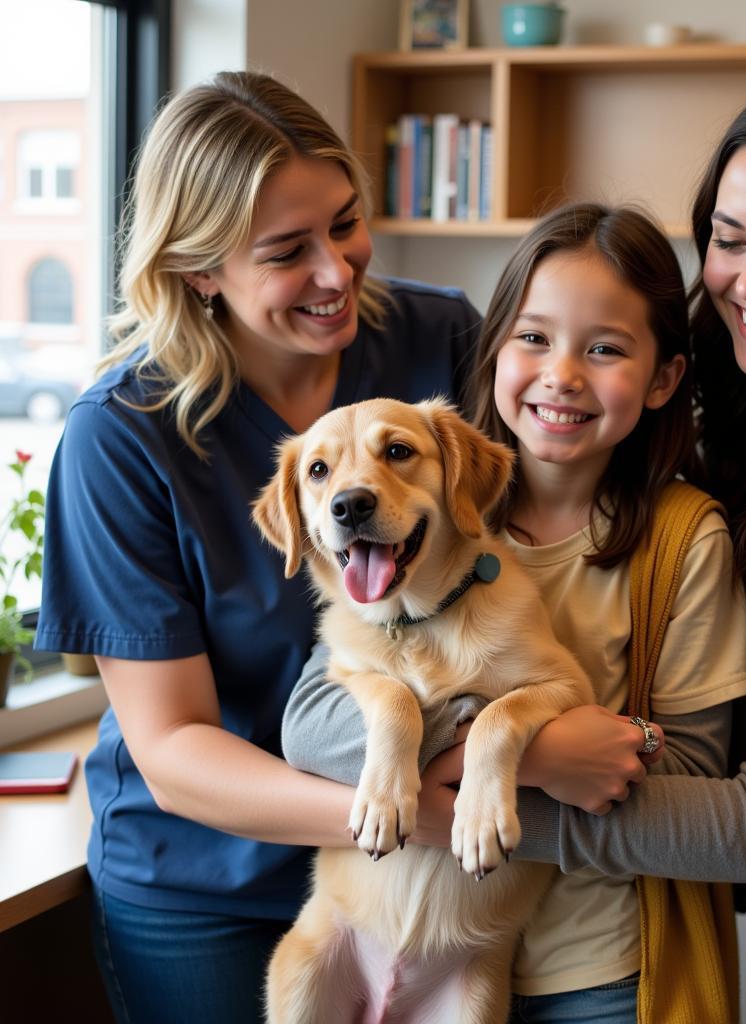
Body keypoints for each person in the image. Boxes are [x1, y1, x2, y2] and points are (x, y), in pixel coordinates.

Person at [295, 68, 746, 1022]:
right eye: (727, 240)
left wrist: (485, 793)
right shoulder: (734, 431)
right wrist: (492, 760)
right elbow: (316, 707)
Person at [32, 70, 494, 1024]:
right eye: (288, 251)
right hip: (211, 883)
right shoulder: (122, 437)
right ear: (199, 268)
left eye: (347, 221)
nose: (337, 271)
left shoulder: (438, 338)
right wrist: (414, 813)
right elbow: (173, 746)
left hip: (431, 875)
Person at [281, 202, 746, 1022]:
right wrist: (513, 754)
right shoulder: (423, 532)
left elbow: (694, 783)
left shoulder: (686, 539)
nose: (561, 374)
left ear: (664, 377)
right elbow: (313, 725)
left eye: (604, 348)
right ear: (493, 349)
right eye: (532, 337)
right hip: (385, 932)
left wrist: (510, 763)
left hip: (598, 966)